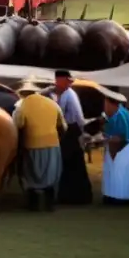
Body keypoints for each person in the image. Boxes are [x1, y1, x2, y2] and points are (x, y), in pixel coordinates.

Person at [13, 79, 66, 211]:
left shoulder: (22, 106)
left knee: (31, 174)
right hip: (53, 144)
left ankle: (33, 204)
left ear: (23, 94)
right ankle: (50, 204)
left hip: (32, 144)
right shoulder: (52, 104)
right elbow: (63, 126)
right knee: (51, 173)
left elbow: (17, 126)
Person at [44, 70, 92, 205]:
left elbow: (77, 117)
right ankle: (71, 196)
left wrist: (80, 133)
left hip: (70, 131)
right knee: (71, 165)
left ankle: (75, 197)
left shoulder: (68, 95)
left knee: (71, 164)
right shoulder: (62, 94)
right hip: (69, 131)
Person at [100, 87, 129, 206]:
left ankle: (122, 198)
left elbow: (123, 137)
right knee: (112, 173)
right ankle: (111, 196)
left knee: (120, 173)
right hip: (113, 148)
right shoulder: (113, 114)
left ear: (110, 103)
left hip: (122, 149)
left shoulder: (121, 114)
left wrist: (105, 139)